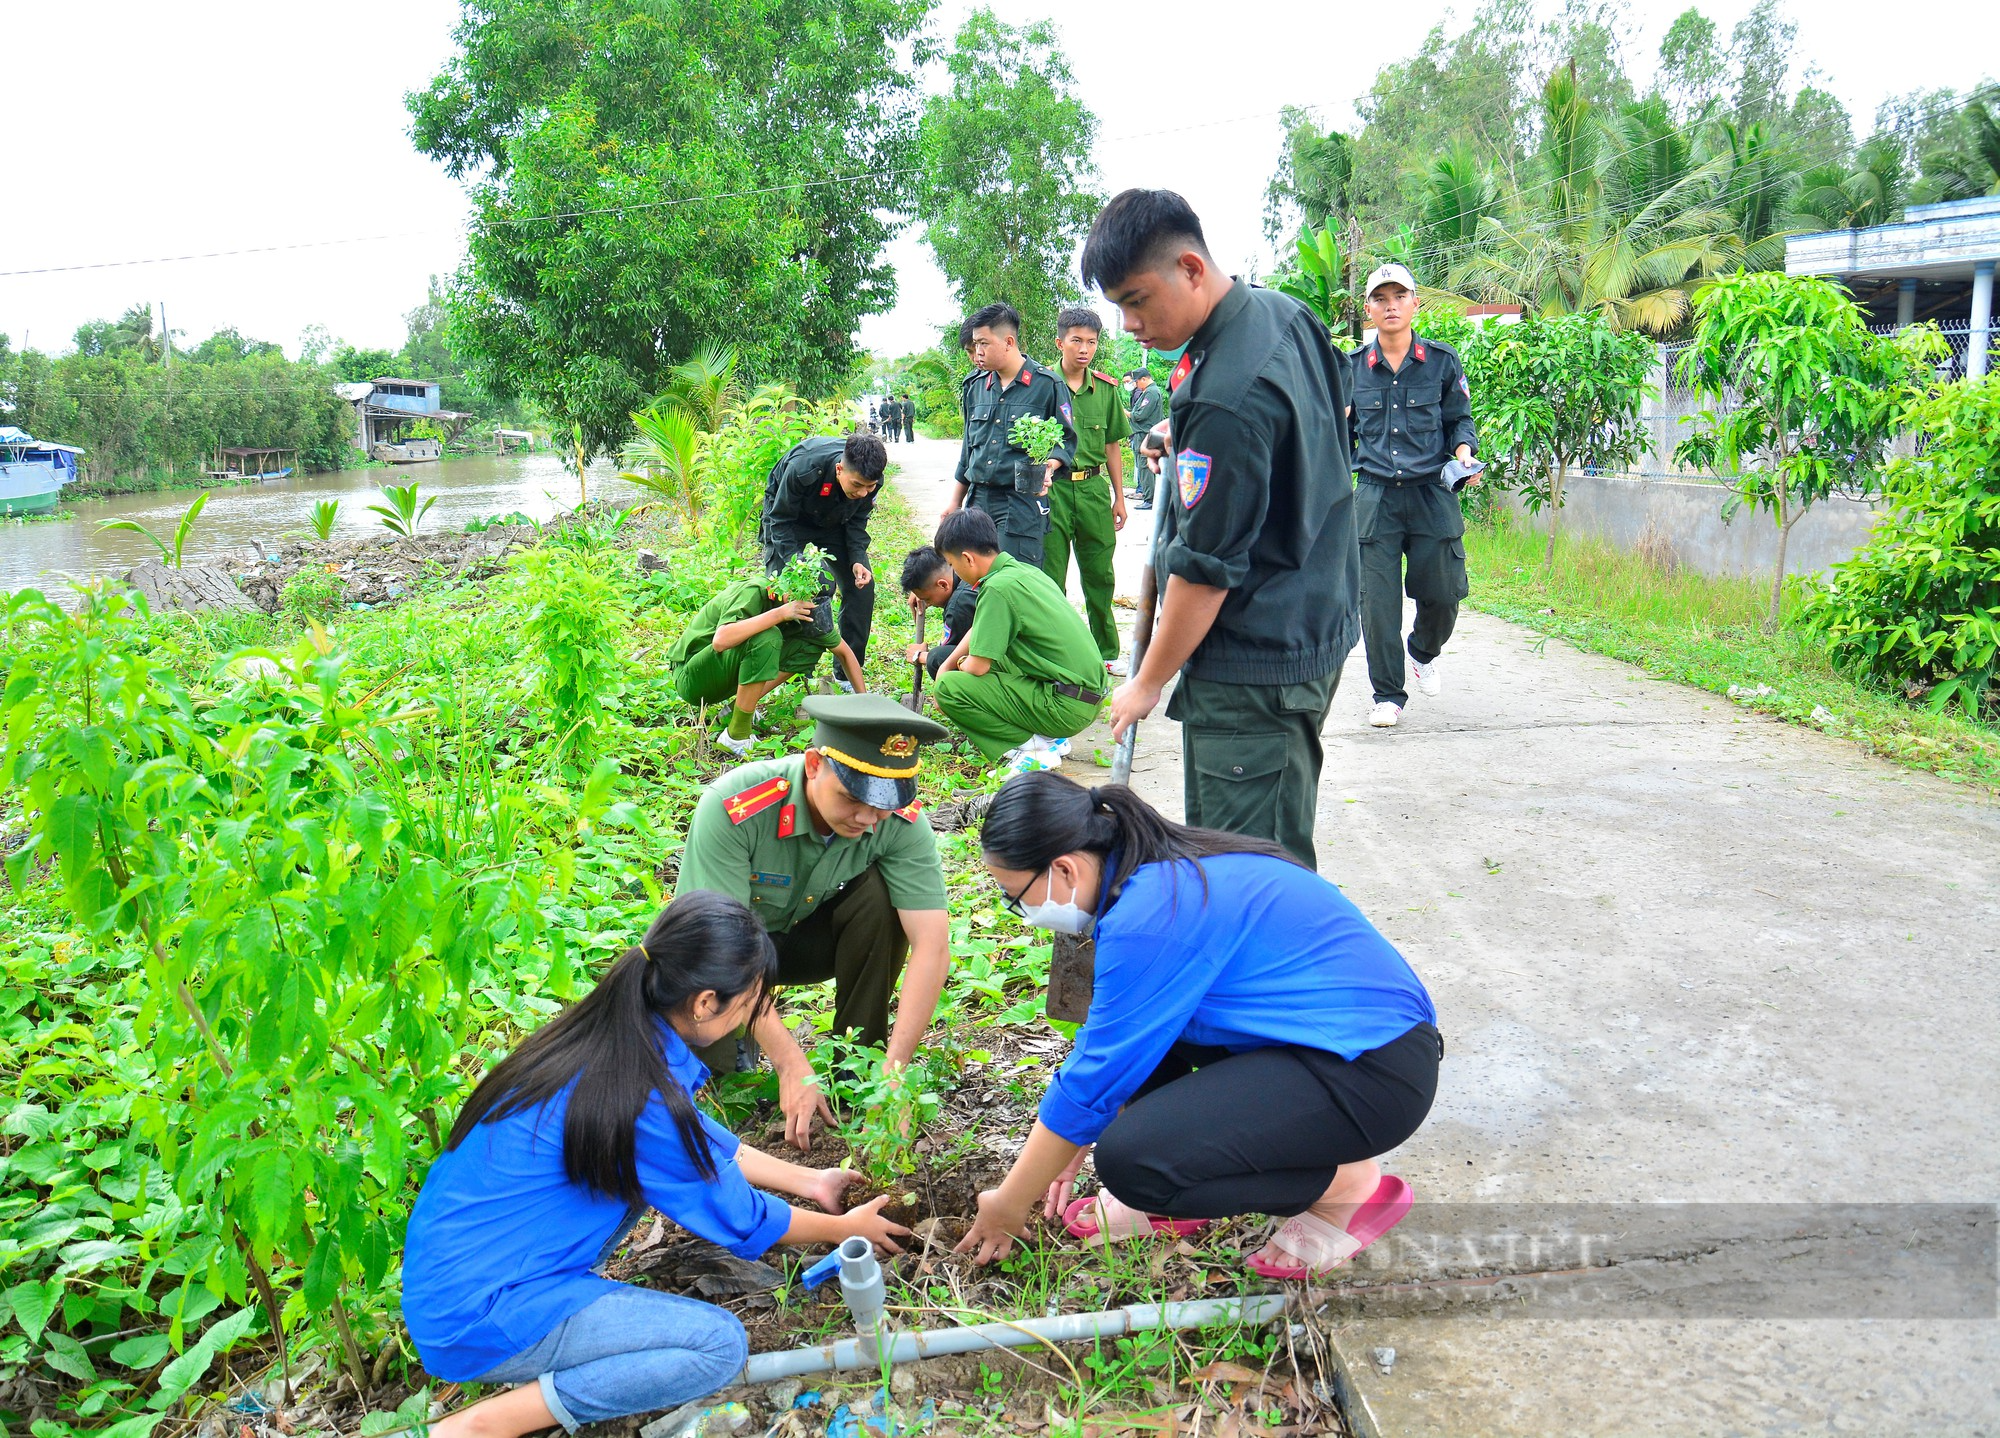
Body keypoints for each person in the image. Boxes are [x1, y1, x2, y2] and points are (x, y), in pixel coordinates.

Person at [402, 891, 909, 1438]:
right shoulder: (642, 1095)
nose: (754, 1016)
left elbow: (708, 1145)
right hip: (484, 1314)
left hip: (455, 1281)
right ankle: (483, 1426)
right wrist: (841, 1230)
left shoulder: (603, 1038)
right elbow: (744, 1219)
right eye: (752, 1002)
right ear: (705, 1002)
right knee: (717, 1345)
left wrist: (813, 1181)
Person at [954, 773, 1439, 1280]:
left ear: (1064, 868)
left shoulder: (1150, 914)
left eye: (1018, 896)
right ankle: (1184, 1191)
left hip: (1372, 1075)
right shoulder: (1162, 871)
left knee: (1130, 1163)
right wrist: (1066, 1148)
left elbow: (1093, 1075)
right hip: (1317, 1044)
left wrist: (1010, 1204)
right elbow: (1114, 1050)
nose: (1023, 912)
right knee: (1145, 1049)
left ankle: (1341, 1188)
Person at [1088, 188, 1357, 870]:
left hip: (1252, 664)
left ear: (1189, 267)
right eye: (1118, 306)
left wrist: (1147, 680)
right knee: (1273, 839)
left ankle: (1272, 979)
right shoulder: (1281, 313)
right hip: (1314, 617)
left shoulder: (1224, 399)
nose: (1128, 325)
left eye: (1137, 300)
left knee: (1250, 869)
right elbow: (1303, 431)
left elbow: (1204, 574)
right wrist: (1177, 435)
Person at [676, 695, 952, 1150]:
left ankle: (858, 1068)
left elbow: (932, 945)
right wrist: (789, 1062)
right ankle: (731, 1057)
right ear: (812, 765)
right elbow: (715, 945)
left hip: (807, 944)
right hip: (725, 951)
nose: (867, 818)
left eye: (883, 804)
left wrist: (895, 1073)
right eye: (852, 798)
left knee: (884, 901)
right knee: (708, 1079)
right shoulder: (735, 805)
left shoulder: (898, 824)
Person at [1349, 264, 1480, 729]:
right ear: (1368, 309)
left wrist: (1464, 450)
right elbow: (1339, 437)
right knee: (1377, 604)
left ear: (1414, 303)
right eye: (1380, 298)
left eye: (1399, 296)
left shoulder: (1442, 362)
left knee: (1445, 592)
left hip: (1431, 493)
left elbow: (1459, 420)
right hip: (1376, 497)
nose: (1390, 305)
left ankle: (1423, 651)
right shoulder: (1352, 370)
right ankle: (1388, 694)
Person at [929, 507, 1104, 772]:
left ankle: (1033, 749)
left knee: (950, 688)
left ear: (967, 558)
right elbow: (981, 628)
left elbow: (977, 667)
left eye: (952, 565)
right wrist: (945, 665)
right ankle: (1050, 739)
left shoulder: (997, 589)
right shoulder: (1022, 572)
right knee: (984, 657)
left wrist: (955, 669)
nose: (954, 573)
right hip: (1085, 696)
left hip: (1065, 706)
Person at [666, 572, 866, 756]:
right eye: (801, 598)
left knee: (810, 645)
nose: (806, 606)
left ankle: (737, 709)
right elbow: (721, 641)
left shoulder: (811, 614)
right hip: (693, 679)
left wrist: (865, 703)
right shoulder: (752, 591)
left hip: (721, 675)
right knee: (767, 636)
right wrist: (780, 614)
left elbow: (845, 653)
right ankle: (736, 736)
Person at [942, 301, 1077, 567]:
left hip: (1020, 503)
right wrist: (955, 502)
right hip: (978, 501)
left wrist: (1050, 465)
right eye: (974, 345)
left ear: (1008, 341)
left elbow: (1066, 440)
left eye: (983, 343)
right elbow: (968, 451)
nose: (977, 352)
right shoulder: (975, 386)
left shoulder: (1047, 385)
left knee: (1013, 581)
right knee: (973, 581)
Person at [1045, 307, 1131, 676]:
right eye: (1077, 340)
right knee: (1051, 576)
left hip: (1094, 490)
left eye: (1091, 342)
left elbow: (1112, 445)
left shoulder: (1106, 389)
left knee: (1099, 573)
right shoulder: (1042, 385)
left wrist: (1120, 497)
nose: (1084, 348)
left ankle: (1106, 650)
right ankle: (1057, 652)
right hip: (1053, 492)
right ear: (1060, 341)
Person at [760, 431, 889, 665]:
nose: (862, 493)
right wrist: (794, 561)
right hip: (791, 519)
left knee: (861, 588)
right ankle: (781, 663)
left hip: (835, 519)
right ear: (840, 469)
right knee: (783, 590)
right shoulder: (803, 468)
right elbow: (779, 520)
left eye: (869, 488)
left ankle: (847, 670)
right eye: (857, 485)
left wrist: (857, 557)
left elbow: (858, 520)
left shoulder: (872, 479)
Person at [899, 544, 980, 678]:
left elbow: (951, 656)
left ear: (943, 584)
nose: (927, 604)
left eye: (927, 599)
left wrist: (921, 656)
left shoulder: (958, 607)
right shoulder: (964, 572)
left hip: (999, 665)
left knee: (937, 659)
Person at [1124, 367, 1166, 509]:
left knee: (1145, 466)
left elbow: (1140, 415)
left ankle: (1149, 499)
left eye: (1136, 381)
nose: (1135, 385)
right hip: (1142, 434)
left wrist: (1127, 413)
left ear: (1144, 379)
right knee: (1143, 466)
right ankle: (1149, 498)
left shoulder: (1151, 393)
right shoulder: (1147, 392)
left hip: (1145, 435)